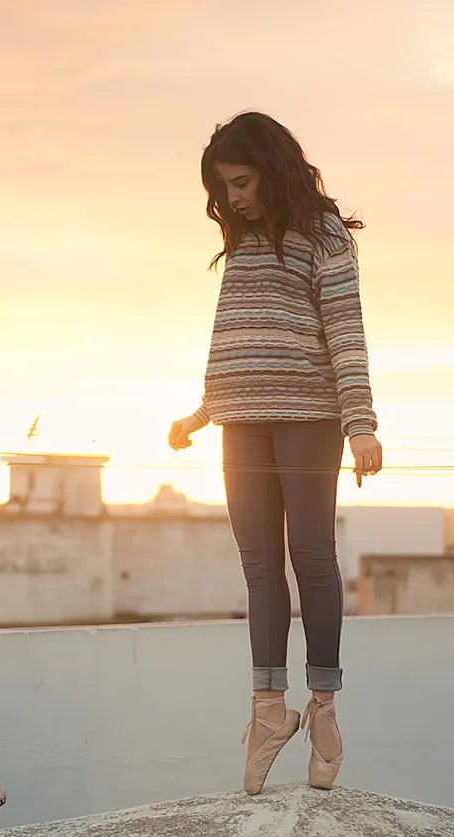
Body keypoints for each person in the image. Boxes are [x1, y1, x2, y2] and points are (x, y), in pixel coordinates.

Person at [168, 111, 383, 795]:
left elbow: (344, 330)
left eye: (241, 182)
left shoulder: (322, 234)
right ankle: (268, 711)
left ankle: (323, 710)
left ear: (272, 168)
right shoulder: (243, 241)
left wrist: (361, 424)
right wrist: (203, 412)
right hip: (241, 422)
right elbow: (236, 333)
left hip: (309, 416)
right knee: (259, 567)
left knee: (311, 557)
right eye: (223, 188)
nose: (232, 198)